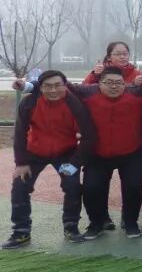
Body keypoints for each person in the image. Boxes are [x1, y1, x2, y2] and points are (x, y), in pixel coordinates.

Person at [3, 71, 96, 249]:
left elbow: (89, 136)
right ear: (40, 87)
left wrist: (74, 164)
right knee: (20, 186)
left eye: (57, 85)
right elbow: (20, 133)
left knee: (72, 186)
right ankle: (21, 232)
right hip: (34, 152)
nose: (53, 90)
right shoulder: (29, 102)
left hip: (65, 153)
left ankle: (71, 227)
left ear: (65, 85)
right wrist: (21, 163)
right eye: (47, 86)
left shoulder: (75, 104)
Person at [64, 67, 142, 239]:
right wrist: (29, 85)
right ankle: (96, 224)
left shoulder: (136, 92)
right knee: (91, 188)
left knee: (134, 188)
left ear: (125, 84)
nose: (114, 86)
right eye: (109, 83)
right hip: (97, 154)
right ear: (99, 84)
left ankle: (130, 223)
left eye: (118, 83)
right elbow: (62, 85)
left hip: (131, 153)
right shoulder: (88, 92)